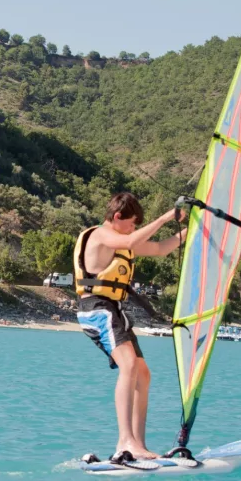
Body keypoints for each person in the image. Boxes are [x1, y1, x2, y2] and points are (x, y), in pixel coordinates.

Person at [75, 192, 186, 462]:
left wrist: (189, 232)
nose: (134, 229)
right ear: (117, 217)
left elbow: (160, 248)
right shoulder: (101, 235)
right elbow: (129, 240)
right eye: (133, 223)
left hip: (114, 310)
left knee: (142, 374)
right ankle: (126, 442)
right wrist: (164, 217)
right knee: (129, 366)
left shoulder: (123, 242)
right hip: (96, 308)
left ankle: (137, 443)